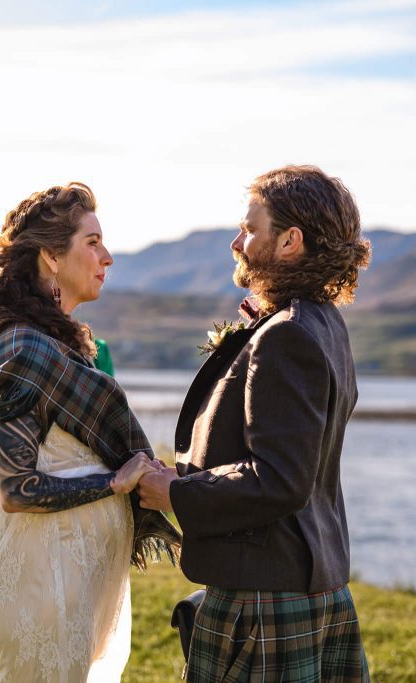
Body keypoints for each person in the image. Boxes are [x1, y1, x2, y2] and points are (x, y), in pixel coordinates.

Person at [0, 182, 180, 682]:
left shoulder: (66, 350)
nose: (108, 257)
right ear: (51, 256)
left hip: (63, 595)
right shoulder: (24, 351)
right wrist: (113, 482)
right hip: (24, 598)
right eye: (92, 243)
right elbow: (16, 489)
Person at [137, 165, 372, 682]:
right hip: (304, 584)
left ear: (290, 241)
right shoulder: (324, 323)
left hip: (264, 599)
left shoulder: (286, 334)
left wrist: (174, 492)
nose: (236, 242)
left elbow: (279, 479)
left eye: (250, 229)